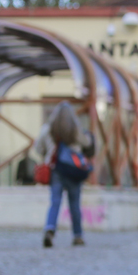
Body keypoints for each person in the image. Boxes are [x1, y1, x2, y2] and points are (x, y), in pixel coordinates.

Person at [34, 101, 95, 248]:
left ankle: (50, 230)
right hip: (73, 171)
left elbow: (37, 147)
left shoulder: (48, 129)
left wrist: (47, 154)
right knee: (74, 204)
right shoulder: (75, 129)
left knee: (55, 202)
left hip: (56, 170)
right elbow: (87, 144)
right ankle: (78, 236)